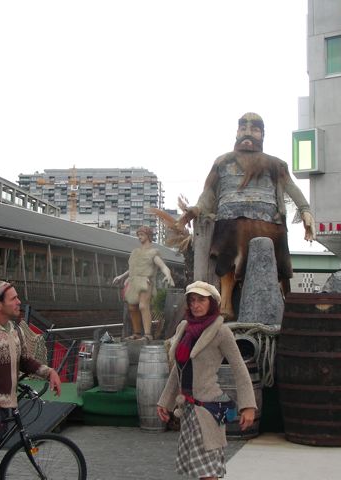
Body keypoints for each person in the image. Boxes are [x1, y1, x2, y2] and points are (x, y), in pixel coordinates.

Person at [178, 112, 316, 318]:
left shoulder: (275, 164)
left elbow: (291, 188)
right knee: (228, 248)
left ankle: (274, 301)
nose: (247, 133)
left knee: (271, 254)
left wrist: (305, 211)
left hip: (268, 222)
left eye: (254, 129)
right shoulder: (222, 162)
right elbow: (209, 192)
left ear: (262, 134)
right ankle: (225, 303)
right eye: (243, 129)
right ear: (236, 132)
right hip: (229, 220)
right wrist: (196, 208)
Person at [0, 279, 62, 480]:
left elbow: (24, 361)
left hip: (5, 408)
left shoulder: (14, 331)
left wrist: (49, 371)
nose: (19, 302)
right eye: (14, 298)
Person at [157, 281, 257, 479]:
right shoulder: (184, 328)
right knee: (200, 470)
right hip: (187, 409)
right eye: (192, 300)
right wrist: (165, 401)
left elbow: (239, 368)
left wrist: (248, 406)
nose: (195, 305)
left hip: (208, 409)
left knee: (207, 470)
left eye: (201, 300)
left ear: (212, 303)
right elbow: (179, 370)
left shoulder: (221, 331)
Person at [113, 225, 175, 340]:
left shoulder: (153, 253)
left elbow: (162, 266)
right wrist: (121, 276)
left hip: (145, 281)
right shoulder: (135, 252)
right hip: (133, 281)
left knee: (143, 306)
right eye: (138, 235)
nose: (139, 237)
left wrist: (168, 274)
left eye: (142, 235)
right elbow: (132, 268)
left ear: (148, 236)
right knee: (132, 307)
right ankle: (137, 333)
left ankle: (147, 335)